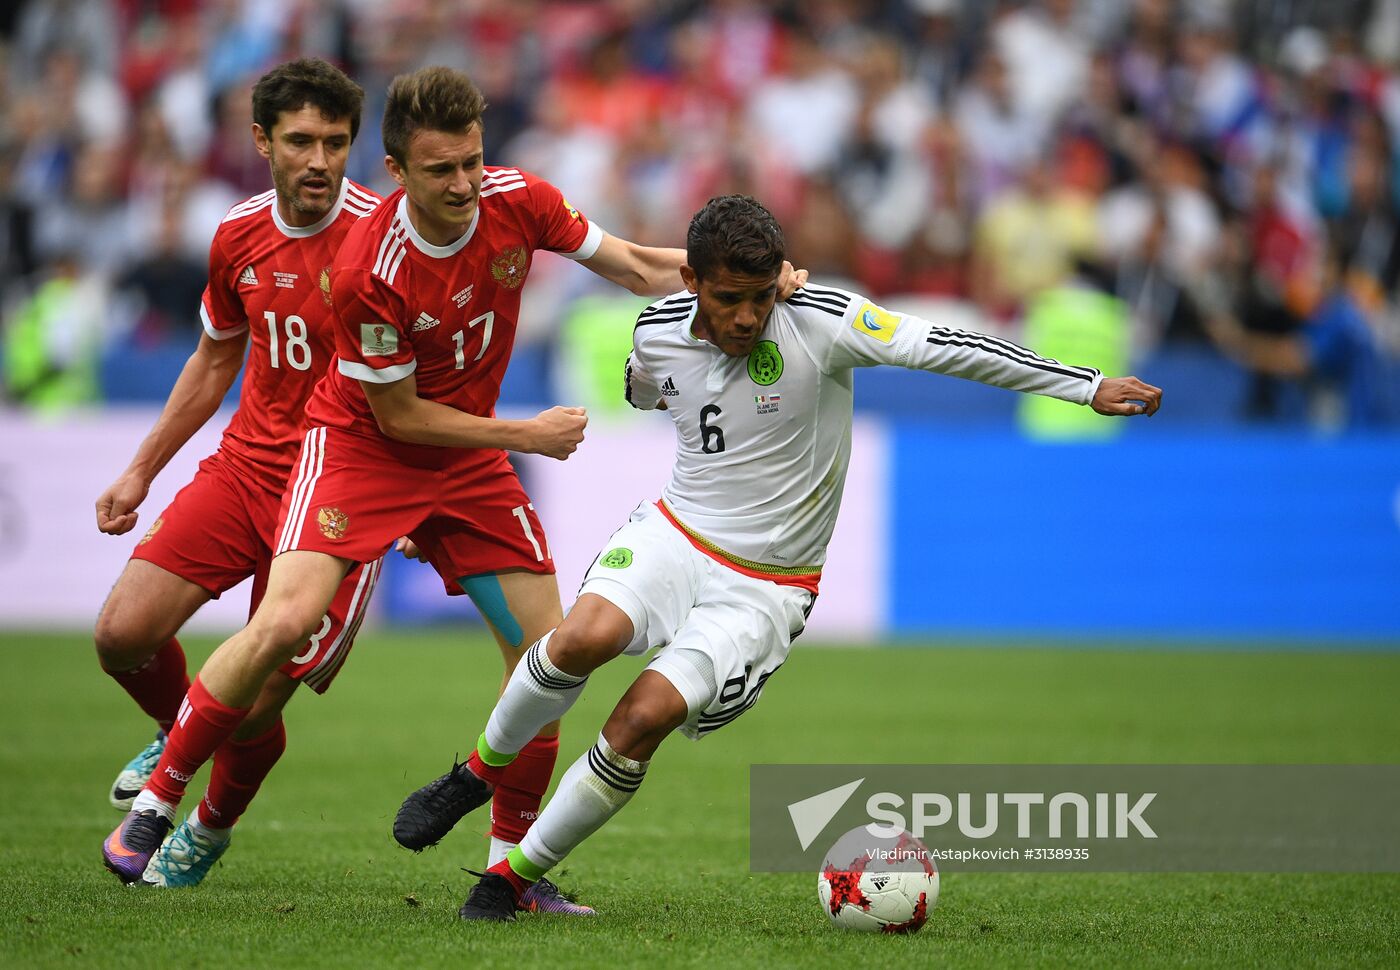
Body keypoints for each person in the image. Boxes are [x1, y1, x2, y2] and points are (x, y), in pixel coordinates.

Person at [102, 69, 803, 912]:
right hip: (363, 449)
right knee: (281, 622)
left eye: (473, 161)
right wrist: (524, 434)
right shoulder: (370, 268)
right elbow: (397, 417)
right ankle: (159, 802)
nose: (467, 185)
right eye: (442, 171)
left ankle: (511, 873)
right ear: (397, 173)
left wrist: (735, 280)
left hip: (465, 465)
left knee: (551, 659)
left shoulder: (519, 200)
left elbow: (628, 264)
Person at [394, 194, 1163, 922]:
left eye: (762, 295)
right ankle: (474, 775)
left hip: (766, 584)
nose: (749, 315)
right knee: (578, 638)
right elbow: (645, 386)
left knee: (644, 716)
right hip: (675, 531)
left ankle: (511, 880)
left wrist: (1084, 386)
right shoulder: (658, 328)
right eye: (729, 298)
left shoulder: (822, 320)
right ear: (690, 281)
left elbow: (948, 350)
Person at [95, 58, 384, 888]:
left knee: (255, 700)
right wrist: (140, 471)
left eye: (336, 142)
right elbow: (216, 357)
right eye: (301, 141)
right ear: (262, 142)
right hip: (248, 467)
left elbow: (426, 379)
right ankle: (180, 721)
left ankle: (209, 828)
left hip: (339, 492)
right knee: (121, 634)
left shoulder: (383, 237)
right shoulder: (236, 233)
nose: (320, 160)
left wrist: (418, 500)